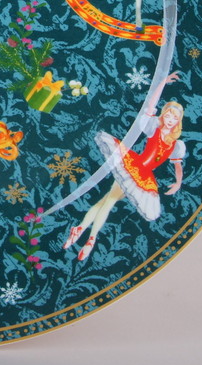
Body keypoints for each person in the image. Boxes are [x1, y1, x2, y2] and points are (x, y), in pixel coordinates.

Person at [63, 71, 186, 261]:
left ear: (178, 121)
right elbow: (151, 106)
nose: (170, 120)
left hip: (144, 178)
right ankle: (90, 240)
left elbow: (177, 165)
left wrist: (178, 182)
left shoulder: (176, 145)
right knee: (110, 201)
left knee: (106, 199)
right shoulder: (154, 127)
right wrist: (162, 82)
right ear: (163, 116)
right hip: (133, 166)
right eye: (168, 115)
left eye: (174, 118)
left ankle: (80, 230)